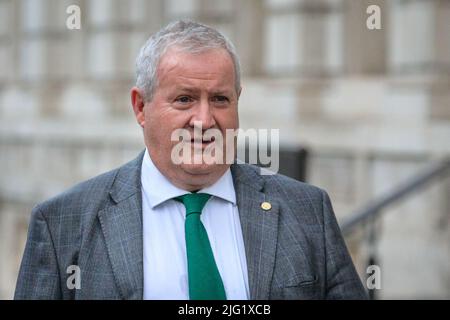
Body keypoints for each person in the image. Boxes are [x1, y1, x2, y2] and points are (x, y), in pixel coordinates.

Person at [14, 20, 367, 300]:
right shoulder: (62, 223)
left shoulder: (307, 210)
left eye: (219, 100)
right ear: (140, 106)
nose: (204, 120)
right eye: (184, 99)